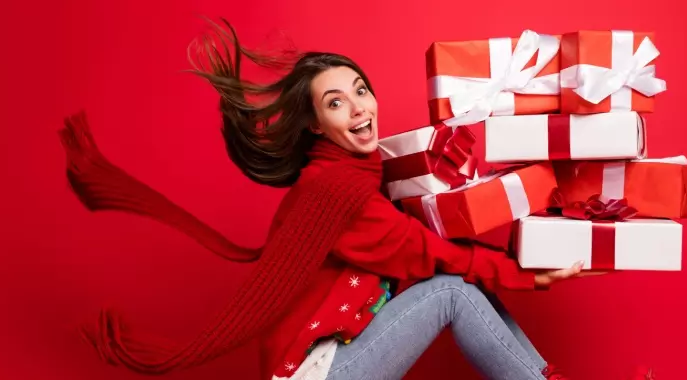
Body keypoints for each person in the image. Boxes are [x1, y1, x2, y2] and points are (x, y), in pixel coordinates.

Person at [58, 18, 602, 380]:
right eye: (336, 103)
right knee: (452, 291)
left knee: (461, 288)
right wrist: (527, 273)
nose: (359, 108)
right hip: (319, 372)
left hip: (333, 355)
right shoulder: (338, 192)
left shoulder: (352, 172)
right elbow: (425, 252)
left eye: (360, 90)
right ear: (317, 124)